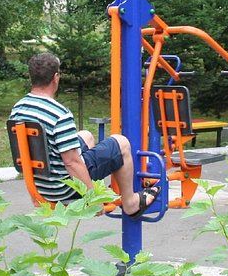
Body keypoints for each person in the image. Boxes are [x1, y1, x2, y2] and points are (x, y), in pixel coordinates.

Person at [9, 52, 160, 216]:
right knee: (121, 143)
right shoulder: (59, 114)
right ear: (55, 78)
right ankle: (130, 202)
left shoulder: (18, 109)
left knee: (86, 135)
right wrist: (92, 199)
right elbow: (72, 163)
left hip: (40, 185)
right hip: (64, 188)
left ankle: (106, 182)